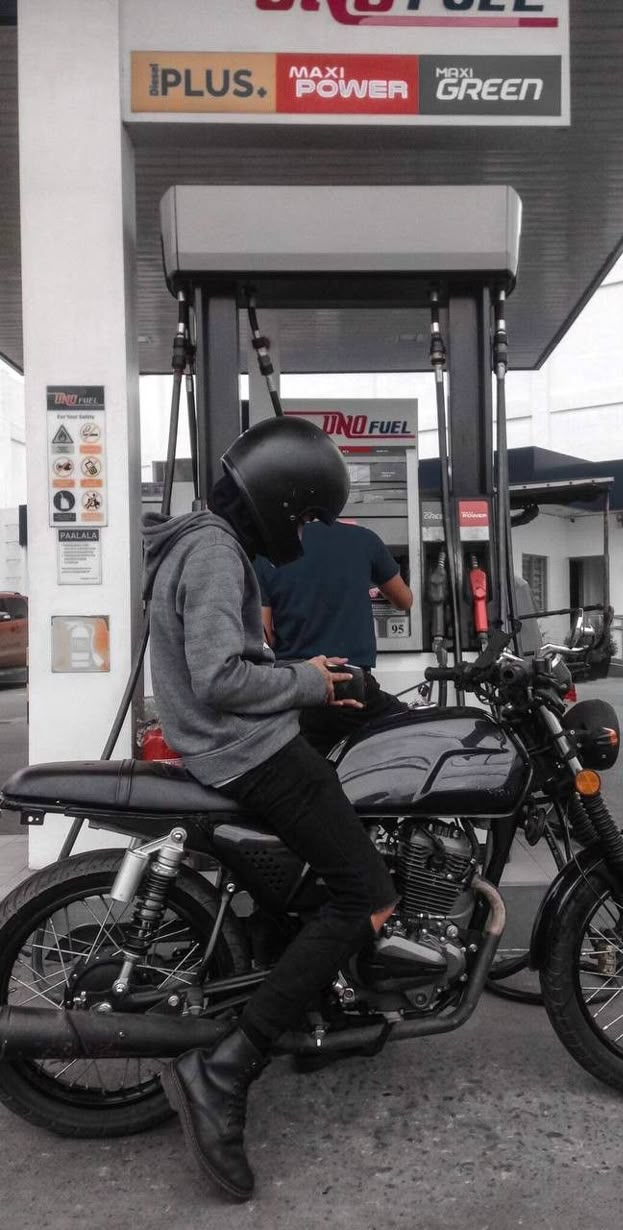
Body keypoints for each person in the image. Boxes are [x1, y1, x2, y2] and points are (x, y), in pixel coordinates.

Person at [141, 416, 397, 1203]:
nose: (309, 531)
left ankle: (322, 1005)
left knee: (333, 866)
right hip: (245, 750)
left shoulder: (202, 539)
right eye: (309, 515)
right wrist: (313, 682)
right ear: (284, 498)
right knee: (368, 893)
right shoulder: (216, 550)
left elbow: (230, 662)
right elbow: (220, 677)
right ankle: (226, 1069)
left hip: (233, 741)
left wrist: (297, 668)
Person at [254, 519, 413, 754]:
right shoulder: (364, 539)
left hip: (300, 692)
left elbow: (264, 640)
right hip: (355, 690)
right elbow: (405, 600)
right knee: (412, 736)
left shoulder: (265, 553)